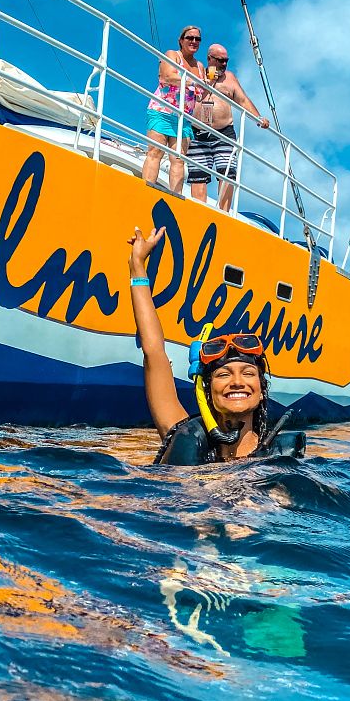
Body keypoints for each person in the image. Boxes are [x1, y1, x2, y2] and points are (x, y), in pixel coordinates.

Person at [128, 225, 306, 465]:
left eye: (248, 373)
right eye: (223, 374)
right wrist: (137, 265)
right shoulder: (184, 434)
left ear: (262, 389)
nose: (237, 382)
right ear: (206, 390)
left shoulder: (280, 460)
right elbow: (153, 351)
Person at [186, 44, 270, 212]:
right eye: (220, 60)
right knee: (198, 176)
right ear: (210, 58)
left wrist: (258, 117)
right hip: (197, 131)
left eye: (226, 61)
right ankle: (199, 212)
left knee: (227, 174)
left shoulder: (230, 78)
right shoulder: (197, 72)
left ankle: (223, 214)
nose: (224, 64)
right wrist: (206, 80)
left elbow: (243, 100)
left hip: (224, 132)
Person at [141, 26, 207, 197]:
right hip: (162, 110)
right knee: (155, 152)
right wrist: (195, 82)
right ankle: (145, 192)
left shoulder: (199, 66)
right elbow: (167, 76)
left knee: (178, 159)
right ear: (181, 40)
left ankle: (175, 198)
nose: (193, 41)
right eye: (190, 38)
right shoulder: (172, 54)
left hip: (183, 117)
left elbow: (201, 94)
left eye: (197, 39)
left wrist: (206, 85)